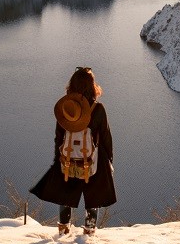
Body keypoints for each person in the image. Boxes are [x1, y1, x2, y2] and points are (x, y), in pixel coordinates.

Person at [30, 67, 116, 235]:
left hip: (68, 158)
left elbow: (59, 137)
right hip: (93, 160)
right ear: (92, 86)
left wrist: (58, 158)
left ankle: (63, 228)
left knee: (66, 194)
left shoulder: (66, 107)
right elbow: (106, 136)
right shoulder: (98, 109)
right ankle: (89, 230)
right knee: (94, 196)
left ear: (72, 84)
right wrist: (109, 160)